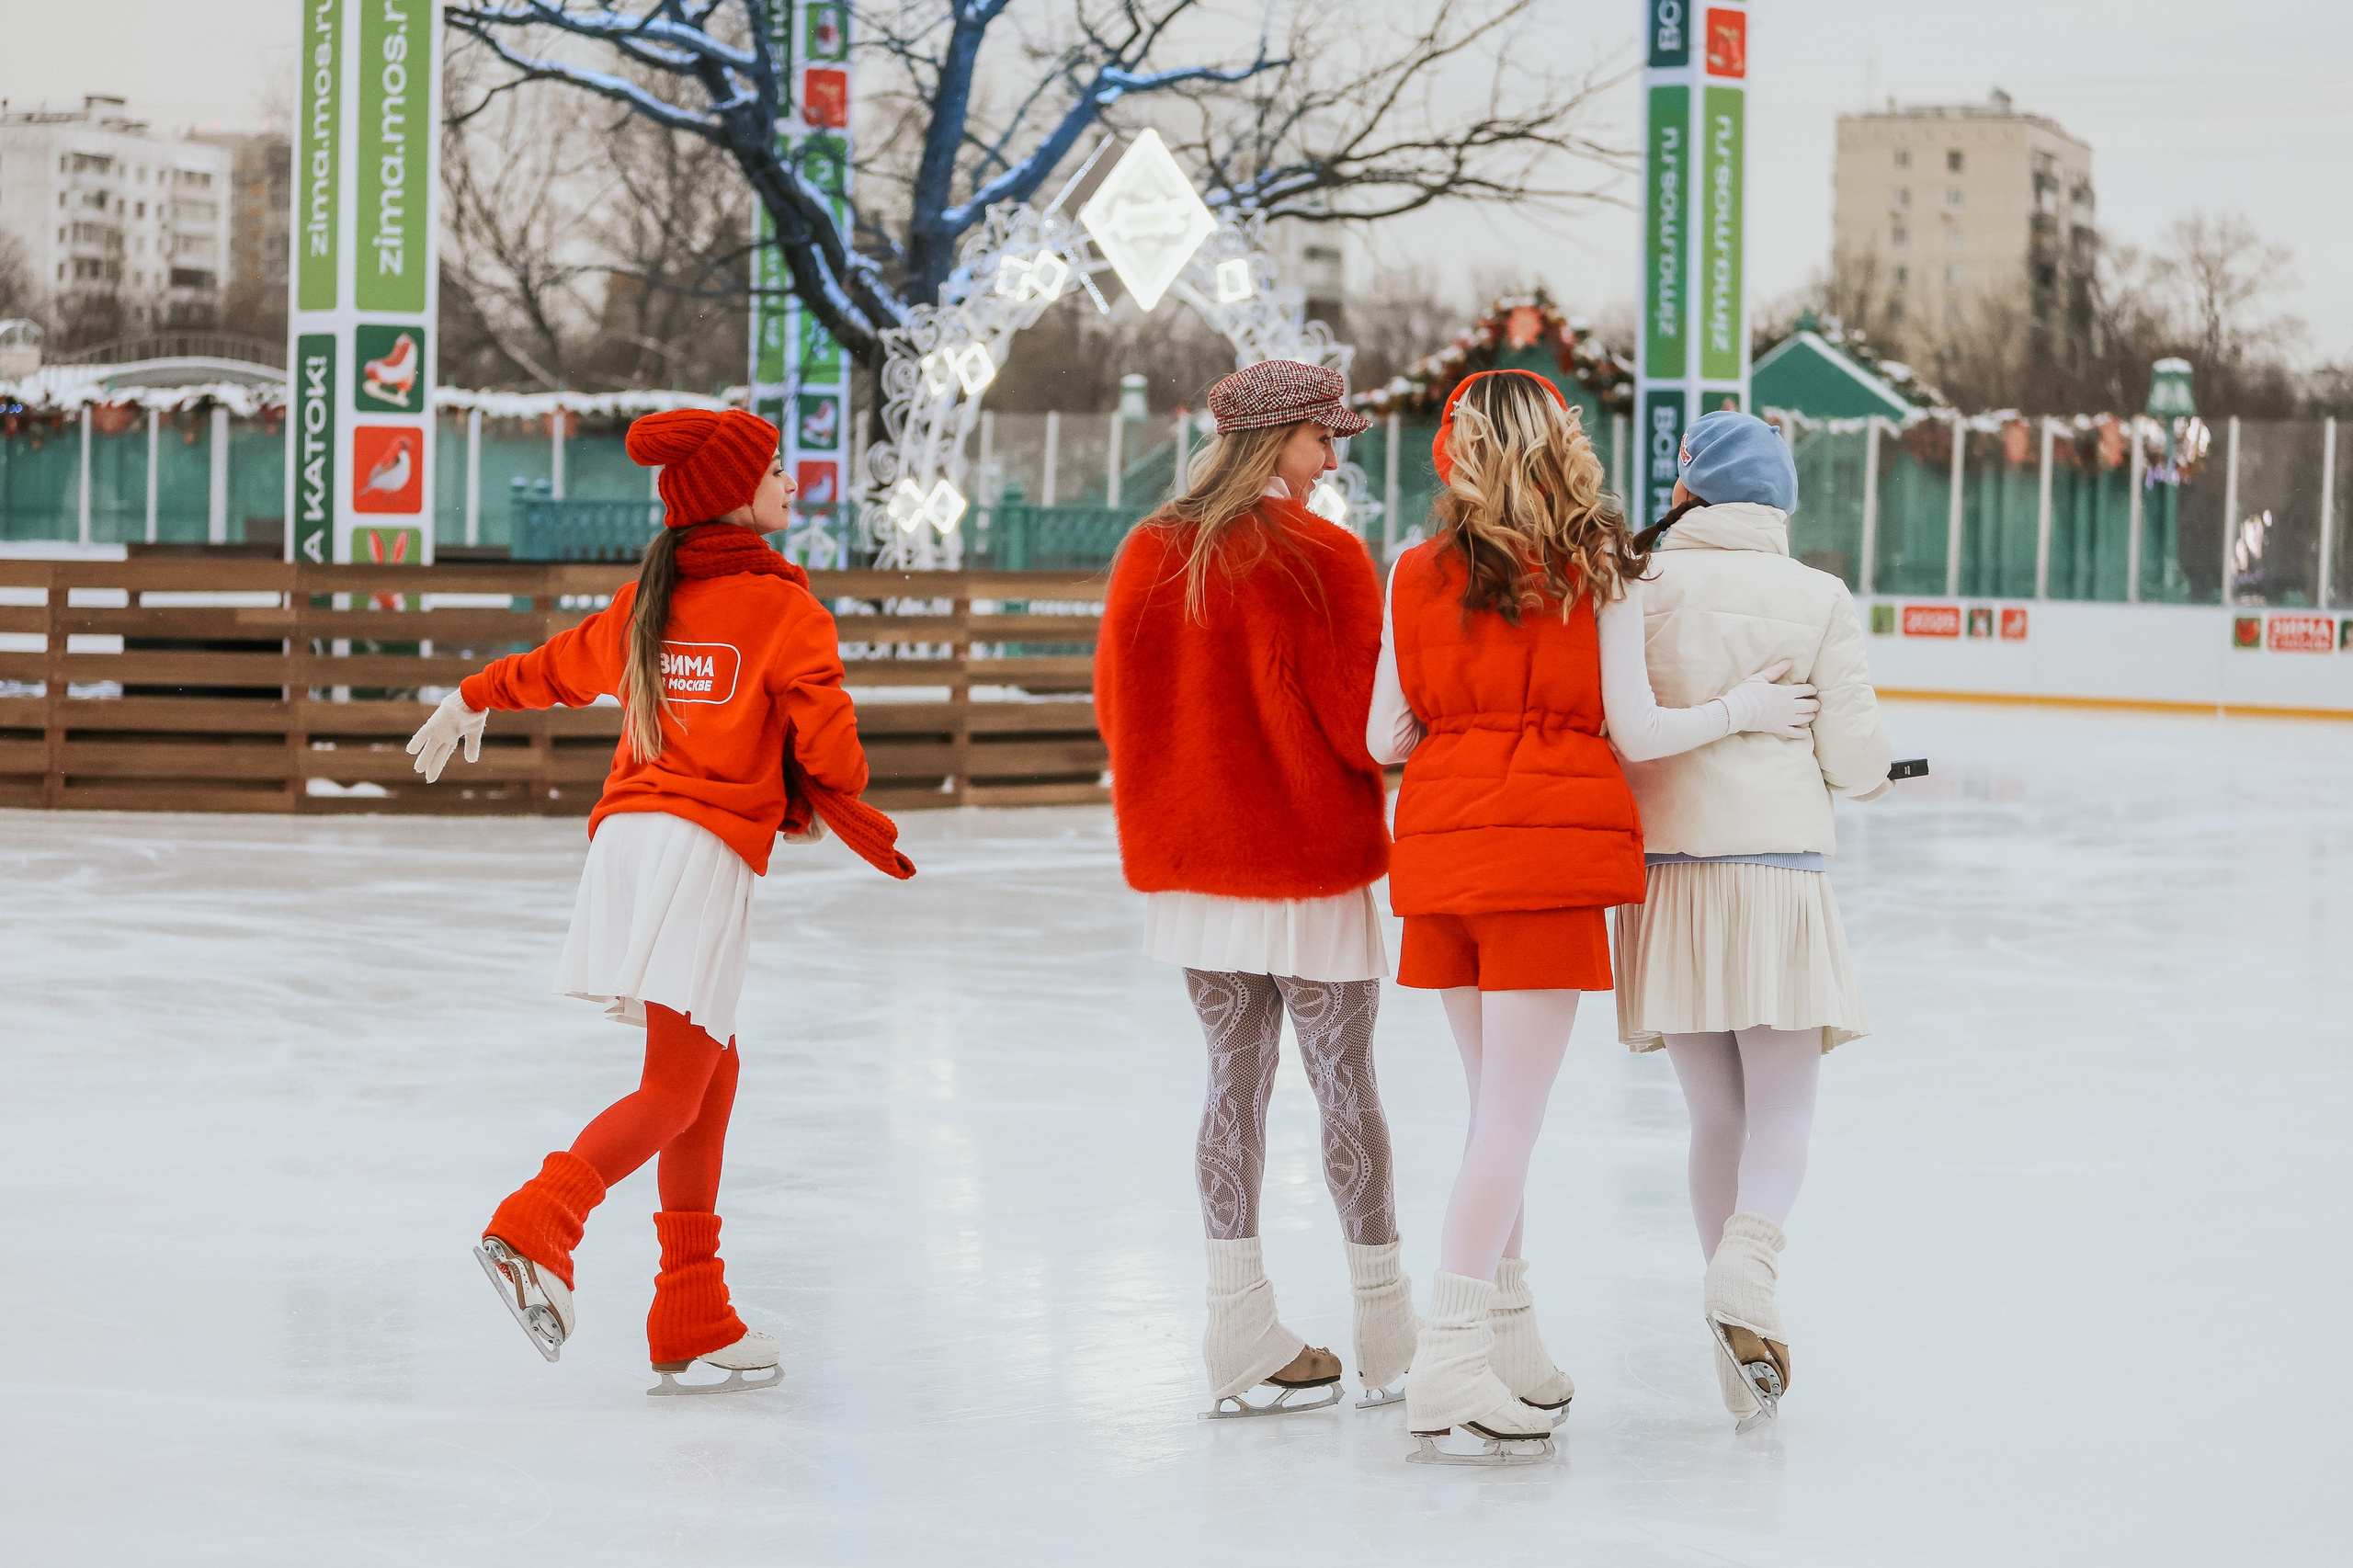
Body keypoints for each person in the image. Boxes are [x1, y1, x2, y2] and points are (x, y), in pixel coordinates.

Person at [403, 408, 914, 1395]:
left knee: (711, 1065)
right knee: (676, 1087)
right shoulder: (785, 611)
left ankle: (691, 1305)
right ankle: (535, 1223)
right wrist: (811, 779)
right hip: (700, 848)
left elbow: (556, 667)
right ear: (730, 492)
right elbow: (836, 749)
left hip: (629, 841)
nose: (790, 481)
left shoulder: (650, 599)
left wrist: (472, 694)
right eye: (773, 468)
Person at [1367, 370, 1817, 1464]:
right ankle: (1450, 1358)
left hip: (1438, 854)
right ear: (1557, 446)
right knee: (1508, 1126)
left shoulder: (1410, 570)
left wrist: (1467, 729)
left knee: (1490, 1118)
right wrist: (1747, 708)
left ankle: (1508, 1345)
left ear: (1459, 450)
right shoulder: (1595, 569)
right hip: (1543, 857)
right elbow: (1637, 729)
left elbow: (1385, 737)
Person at [1095, 359, 1417, 1417]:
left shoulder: (1149, 549)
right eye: (1326, 438)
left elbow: (1117, 707)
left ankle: (1237, 1323)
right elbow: (1356, 722)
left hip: (1198, 867)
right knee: (1344, 1084)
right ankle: (1387, 1320)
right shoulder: (1324, 553)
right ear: (1276, 438)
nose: (1336, 458)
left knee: (1231, 1082)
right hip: (1306, 859)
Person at [1609, 409, 1893, 1431]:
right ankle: (1749, 1268)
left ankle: (1736, 1350)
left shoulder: (1637, 585)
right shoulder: (1816, 596)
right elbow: (1858, 762)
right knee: (1781, 1109)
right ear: (1778, 500)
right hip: (1774, 877)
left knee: (1713, 1118)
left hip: (1667, 880)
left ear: (1686, 487)